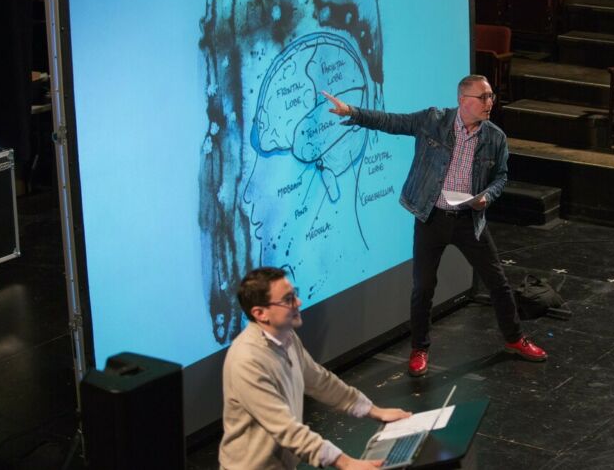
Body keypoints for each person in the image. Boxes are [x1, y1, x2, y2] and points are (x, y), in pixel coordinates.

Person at [321, 74, 547, 378]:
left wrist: (487, 198)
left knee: (498, 283)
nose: (489, 103)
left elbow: (501, 176)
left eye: (491, 96)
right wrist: (353, 111)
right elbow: (393, 122)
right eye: (483, 97)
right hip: (431, 217)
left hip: (469, 221)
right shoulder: (433, 121)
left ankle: (514, 339)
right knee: (423, 288)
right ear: (463, 100)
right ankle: (420, 349)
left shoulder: (495, 137)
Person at [219, 266, 411, 470]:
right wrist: (346, 463)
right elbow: (285, 428)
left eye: (295, 295)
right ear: (260, 313)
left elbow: (320, 382)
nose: (298, 303)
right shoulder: (247, 361)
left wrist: (375, 411)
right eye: (288, 299)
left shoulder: (287, 336)